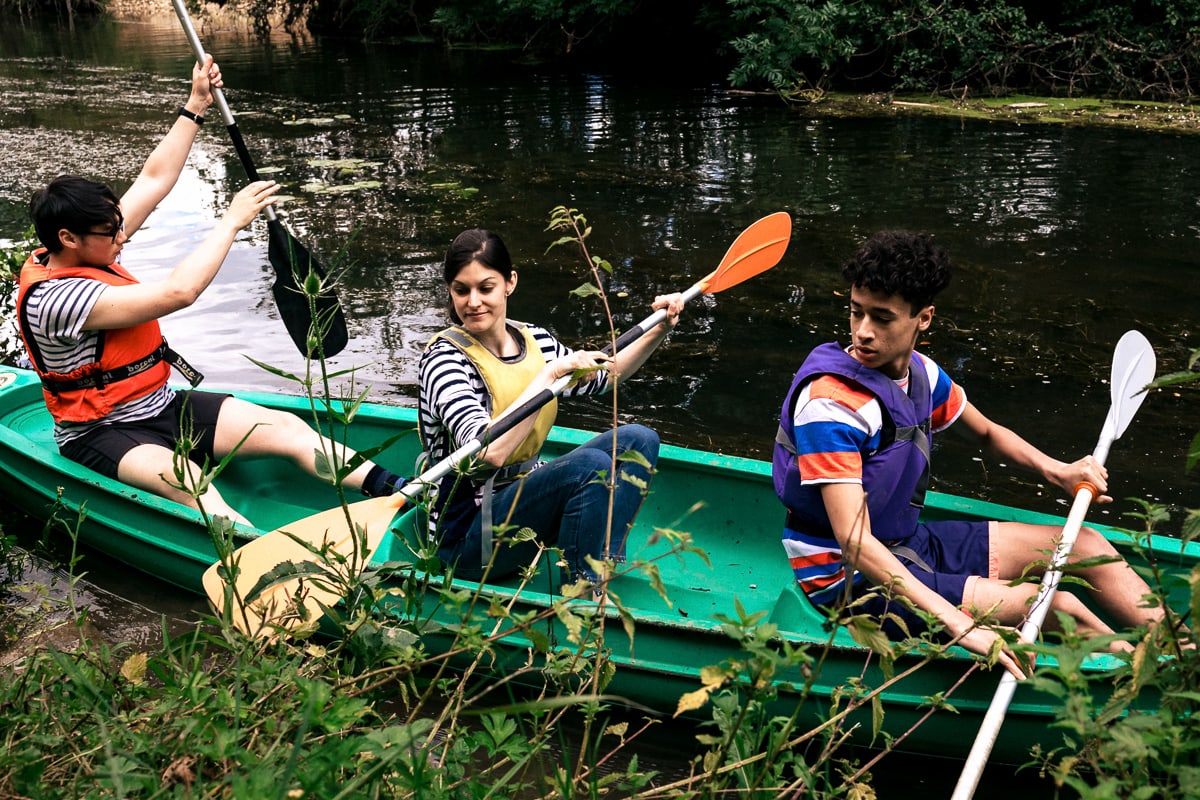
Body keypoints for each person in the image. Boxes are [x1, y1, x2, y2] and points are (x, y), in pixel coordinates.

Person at [16, 55, 402, 526]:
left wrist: (195, 102)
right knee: (194, 486)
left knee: (287, 428)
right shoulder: (56, 299)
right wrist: (231, 220)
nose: (122, 237)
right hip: (99, 429)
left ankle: (402, 490)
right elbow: (180, 292)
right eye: (111, 233)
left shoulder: (95, 241)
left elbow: (154, 180)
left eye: (120, 226)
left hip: (159, 405)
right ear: (68, 239)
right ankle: (253, 558)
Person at [773, 230, 1164, 679]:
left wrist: (1057, 471)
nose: (863, 332)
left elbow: (988, 433)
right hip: (847, 577)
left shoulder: (922, 376)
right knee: (1054, 604)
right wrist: (961, 625)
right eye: (856, 312)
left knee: (1085, 545)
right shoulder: (832, 405)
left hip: (905, 544)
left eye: (883, 318)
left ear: (924, 318)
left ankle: (1184, 655)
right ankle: (1142, 686)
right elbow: (854, 542)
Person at [417, 228, 684, 595]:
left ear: (509, 283)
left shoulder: (534, 339)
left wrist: (659, 328)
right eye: (461, 290)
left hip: (523, 503)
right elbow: (489, 453)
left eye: (486, 287)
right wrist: (549, 375)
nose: (473, 301)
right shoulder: (444, 360)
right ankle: (580, 594)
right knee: (589, 467)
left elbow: (605, 377)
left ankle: (599, 563)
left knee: (639, 441)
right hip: (467, 535)